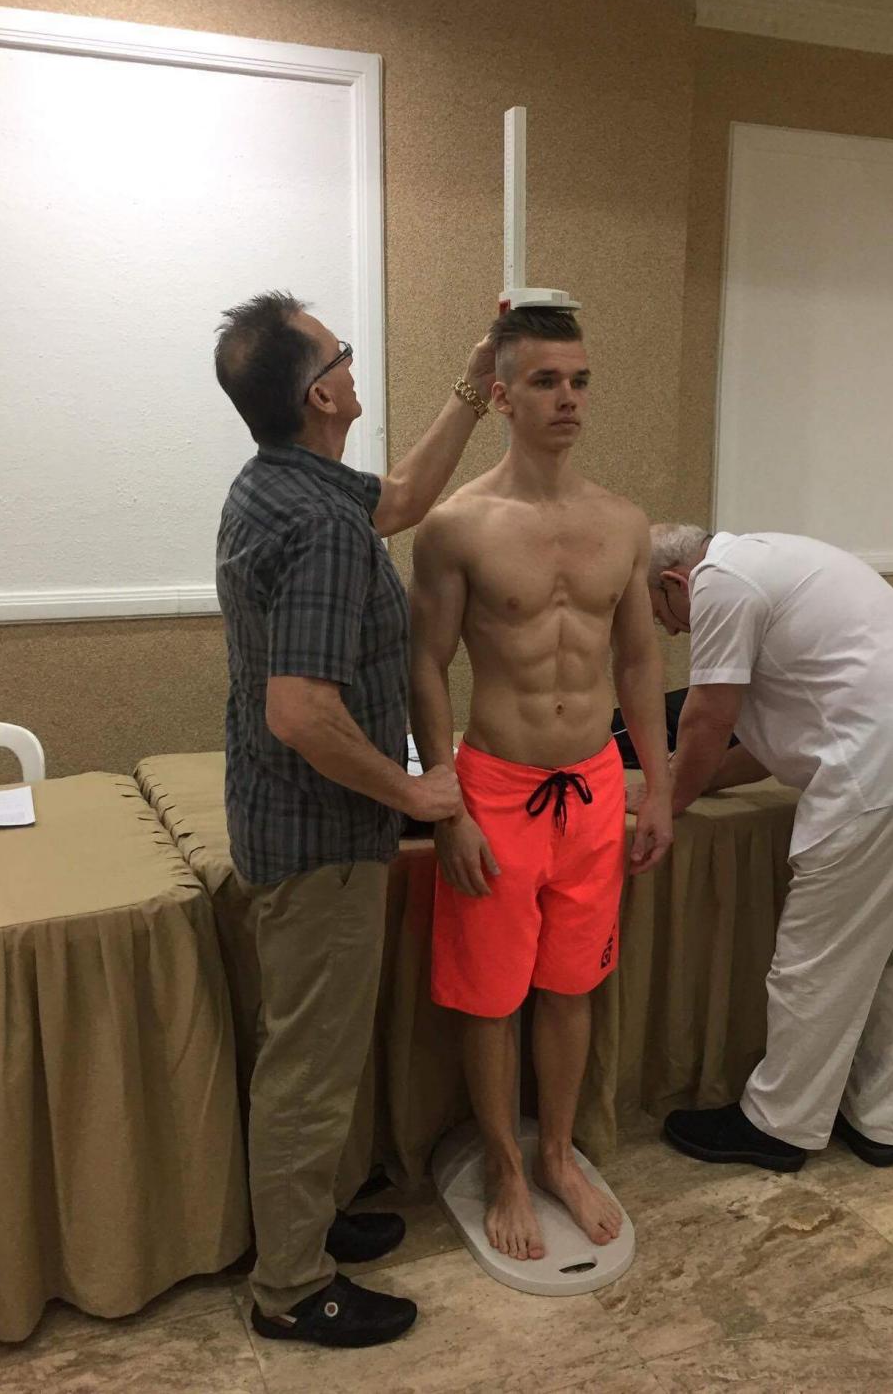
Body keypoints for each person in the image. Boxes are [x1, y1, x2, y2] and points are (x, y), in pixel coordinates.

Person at [213, 290, 495, 1350]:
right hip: (323, 845)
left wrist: (474, 385)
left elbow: (407, 496)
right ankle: (291, 1286)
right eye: (338, 353)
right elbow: (300, 711)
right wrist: (415, 793)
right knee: (310, 1068)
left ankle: (312, 1220)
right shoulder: (322, 528)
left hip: (287, 826)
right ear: (321, 394)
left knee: (310, 1049)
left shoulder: (278, 483)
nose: (350, 360)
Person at [409, 306, 674, 1263]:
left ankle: (556, 1152)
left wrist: (658, 787)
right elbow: (425, 664)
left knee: (571, 984)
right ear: (501, 395)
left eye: (580, 381)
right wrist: (447, 803)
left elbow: (637, 662)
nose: (568, 399)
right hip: (497, 785)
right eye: (545, 381)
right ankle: (505, 1167)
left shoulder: (623, 523)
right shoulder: (457, 525)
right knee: (492, 996)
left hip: (593, 786)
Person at [643, 524, 893, 1172]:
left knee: (814, 962)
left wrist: (665, 798)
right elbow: (770, 743)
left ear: (675, 582)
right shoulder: (776, 559)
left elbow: (707, 717)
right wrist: (686, 781)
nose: (671, 633)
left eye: (661, 615)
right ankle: (880, 1119)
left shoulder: (720, 582)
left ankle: (779, 1125)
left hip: (884, 777)